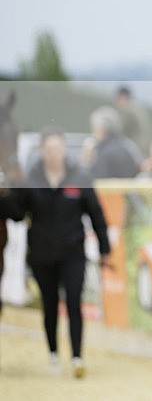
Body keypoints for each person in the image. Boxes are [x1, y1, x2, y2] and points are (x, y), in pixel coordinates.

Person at [4, 126, 111, 378]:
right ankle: (52, 354)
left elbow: (96, 214)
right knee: (49, 306)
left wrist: (105, 248)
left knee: (74, 303)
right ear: (42, 151)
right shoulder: (31, 179)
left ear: (64, 149)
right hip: (41, 255)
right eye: (48, 149)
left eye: (57, 149)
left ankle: (76, 357)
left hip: (73, 253)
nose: (53, 154)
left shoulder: (80, 177)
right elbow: (18, 213)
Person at [87, 106, 141, 179]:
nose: (93, 133)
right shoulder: (129, 147)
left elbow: (97, 180)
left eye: (94, 129)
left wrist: (89, 162)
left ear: (101, 130)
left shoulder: (102, 153)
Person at [113, 86, 151, 153]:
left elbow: (120, 132)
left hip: (134, 149)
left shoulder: (127, 110)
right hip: (142, 148)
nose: (116, 103)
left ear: (123, 97)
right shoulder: (138, 108)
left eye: (117, 99)